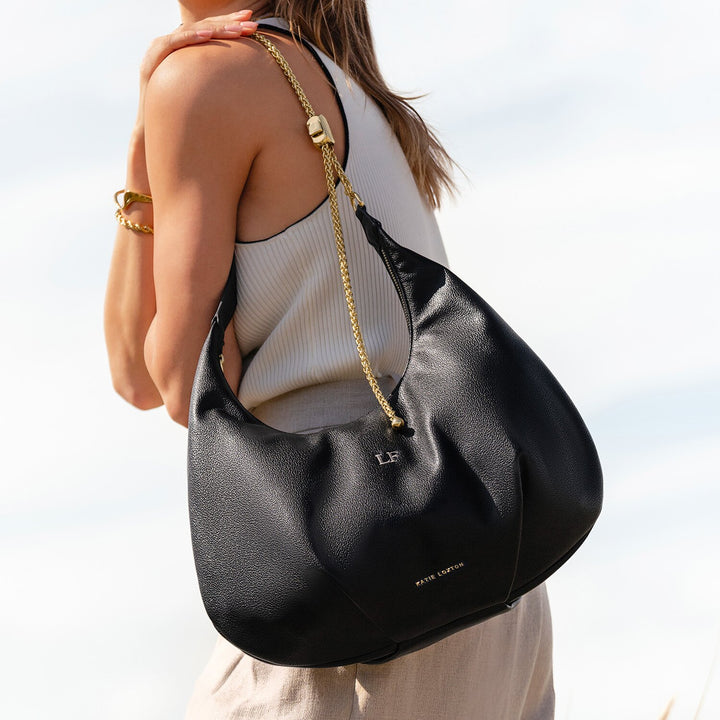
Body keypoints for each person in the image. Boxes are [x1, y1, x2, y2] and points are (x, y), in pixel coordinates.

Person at [103, 2, 555, 718]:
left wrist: (166, 109)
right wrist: (144, 143)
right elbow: (134, 373)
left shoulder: (212, 79)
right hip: (478, 557)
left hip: (349, 558)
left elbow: (181, 384)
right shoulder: (338, 81)